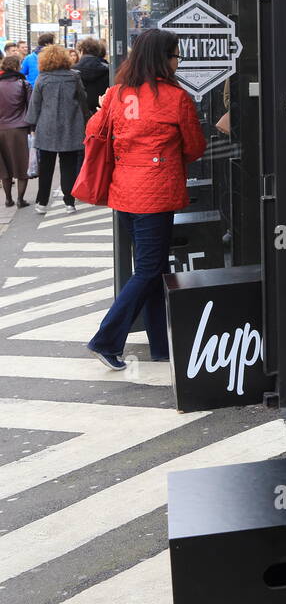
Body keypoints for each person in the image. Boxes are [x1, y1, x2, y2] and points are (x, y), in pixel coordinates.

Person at [85, 28, 207, 371]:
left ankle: (160, 345)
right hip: (155, 195)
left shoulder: (118, 94)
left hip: (123, 192)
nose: (178, 61)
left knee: (152, 270)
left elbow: (95, 133)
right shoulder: (175, 98)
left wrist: (105, 103)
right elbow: (196, 147)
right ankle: (106, 339)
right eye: (176, 55)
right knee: (149, 270)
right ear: (163, 59)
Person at [26, 44, 90, 214]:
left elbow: (35, 105)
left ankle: (42, 202)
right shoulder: (74, 77)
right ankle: (69, 202)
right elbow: (83, 100)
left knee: (46, 166)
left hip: (47, 127)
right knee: (68, 165)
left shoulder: (42, 78)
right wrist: (86, 120)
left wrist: (32, 124)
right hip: (71, 126)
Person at [0, 53, 32, 207]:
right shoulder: (23, 84)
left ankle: (8, 198)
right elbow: (30, 107)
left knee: (4, 167)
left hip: (0, 130)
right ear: (17, 67)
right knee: (21, 166)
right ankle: (20, 199)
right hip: (19, 129)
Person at [75, 37, 110, 115]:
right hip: (101, 112)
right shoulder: (107, 70)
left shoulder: (73, 72)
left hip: (81, 115)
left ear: (82, 51)